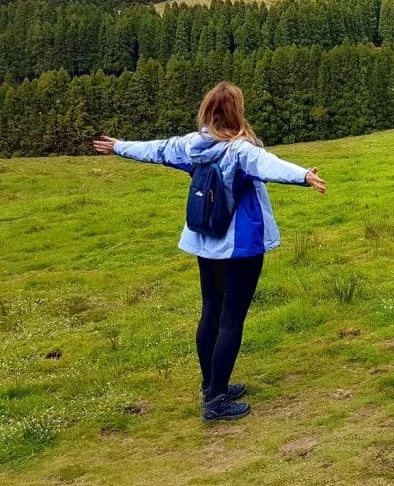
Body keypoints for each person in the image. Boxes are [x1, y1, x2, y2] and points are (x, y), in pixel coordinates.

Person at [91, 81, 327, 423]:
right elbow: (270, 164)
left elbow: (156, 150)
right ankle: (216, 401)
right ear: (237, 112)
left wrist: (119, 146)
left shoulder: (192, 145)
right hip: (241, 246)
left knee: (211, 311)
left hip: (205, 241)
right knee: (232, 320)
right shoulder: (240, 151)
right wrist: (304, 175)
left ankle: (212, 385)